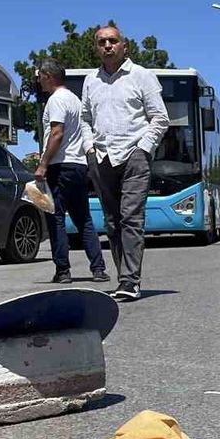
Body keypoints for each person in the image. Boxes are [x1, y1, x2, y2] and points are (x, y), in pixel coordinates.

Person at [80, 24, 170, 301]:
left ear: (124, 46)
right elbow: (85, 119)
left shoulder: (141, 75)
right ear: (96, 48)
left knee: (130, 218)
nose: (107, 46)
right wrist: (89, 148)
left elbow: (160, 118)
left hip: (134, 156)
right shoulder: (90, 81)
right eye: (102, 42)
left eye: (113, 41)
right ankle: (123, 278)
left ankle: (130, 281)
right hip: (102, 157)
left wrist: (143, 149)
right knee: (112, 221)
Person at [35, 59, 108, 285]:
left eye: (40, 76)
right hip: (78, 165)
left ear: (48, 76)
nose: (39, 80)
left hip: (60, 166)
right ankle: (98, 269)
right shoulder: (75, 100)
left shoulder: (56, 100)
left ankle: (63, 270)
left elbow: (57, 133)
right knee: (83, 219)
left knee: (55, 217)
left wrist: (43, 164)